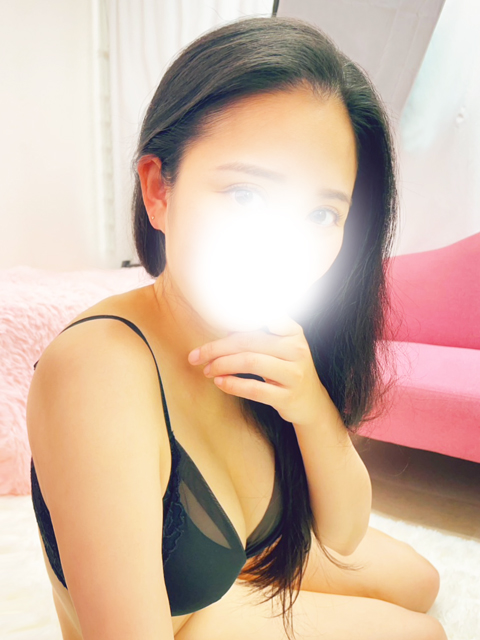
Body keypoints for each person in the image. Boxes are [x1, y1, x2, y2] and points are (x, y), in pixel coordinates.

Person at [27, 15, 447, 640]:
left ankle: (235, 574)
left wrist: (311, 407)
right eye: (247, 195)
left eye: (321, 213)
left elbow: (343, 533)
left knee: (421, 581)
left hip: (233, 568)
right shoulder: (100, 372)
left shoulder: (268, 333)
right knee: (424, 634)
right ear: (159, 190)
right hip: (179, 624)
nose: (284, 243)